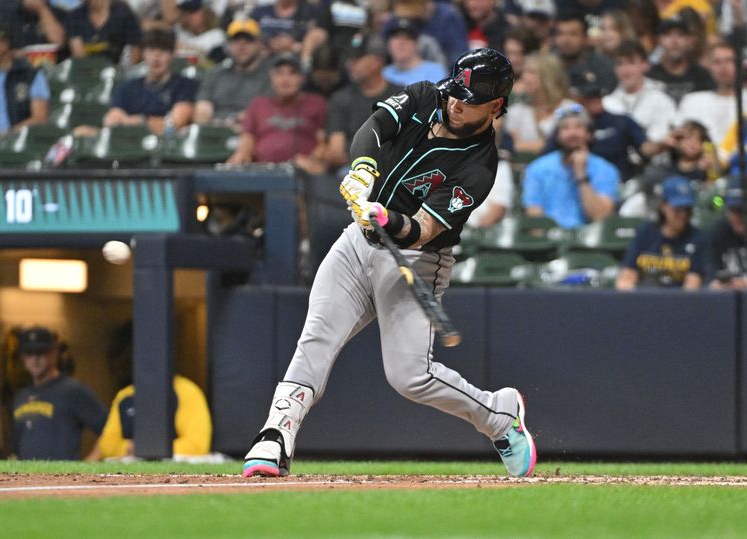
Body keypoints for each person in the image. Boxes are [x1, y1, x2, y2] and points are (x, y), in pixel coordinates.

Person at [242, 48, 537, 480]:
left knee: (410, 376)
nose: (456, 102)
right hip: (356, 244)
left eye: (468, 99)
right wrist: (363, 172)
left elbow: (421, 231)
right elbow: (375, 127)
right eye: (456, 92)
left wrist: (387, 218)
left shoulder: (480, 165)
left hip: (416, 259)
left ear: (495, 106)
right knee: (317, 336)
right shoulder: (424, 96)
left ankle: (498, 415)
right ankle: (275, 435)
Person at [12, 326, 107, 460]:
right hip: (26, 478)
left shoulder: (72, 391)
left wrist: (88, 466)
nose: (35, 358)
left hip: (61, 478)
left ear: (53, 353)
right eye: (29, 353)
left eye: (40, 352)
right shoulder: (20, 397)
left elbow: (110, 431)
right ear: (22, 357)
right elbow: (17, 449)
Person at [522, 103, 620, 228]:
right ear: (557, 136)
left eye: (579, 127)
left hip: (588, 240)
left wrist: (581, 175)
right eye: (565, 128)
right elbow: (534, 216)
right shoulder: (537, 169)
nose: (572, 133)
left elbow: (600, 217)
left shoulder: (606, 170)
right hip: (550, 238)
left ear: (588, 134)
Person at [226, 53, 327, 166]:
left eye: (292, 73)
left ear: (302, 78)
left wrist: (312, 160)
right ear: (272, 78)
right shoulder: (258, 104)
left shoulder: (316, 103)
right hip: (264, 171)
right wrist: (241, 156)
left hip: (304, 172)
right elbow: (247, 140)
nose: (285, 80)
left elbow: (324, 143)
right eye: (279, 73)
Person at [616, 175, 709, 289]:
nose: (683, 215)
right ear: (664, 206)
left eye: (687, 209)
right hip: (644, 300)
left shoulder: (697, 238)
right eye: (678, 209)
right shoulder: (645, 233)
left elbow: (692, 285)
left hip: (680, 302)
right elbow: (626, 277)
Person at [324, 33, 401, 171]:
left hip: (395, 168)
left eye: (357, 58)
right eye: (350, 58)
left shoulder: (401, 96)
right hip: (354, 169)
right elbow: (336, 151)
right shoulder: (341, 98)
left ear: (378, 61)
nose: (350, 63)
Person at [103, 28, 197, 135]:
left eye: (163, 50)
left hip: (166, 146)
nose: (157, 56)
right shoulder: (128, 86)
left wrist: (138, 121)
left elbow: (175, 124)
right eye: (151, 50)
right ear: (143, 54)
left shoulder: (185, 85)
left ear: (172, 55)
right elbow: (112, 120)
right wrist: (149, 123)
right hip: (129, 142)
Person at [94, 374, 212, 459]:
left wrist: (146, 449)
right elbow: (107, 445)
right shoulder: (126, 395)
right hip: (133, 463)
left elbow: (197, 446)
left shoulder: (187, 390)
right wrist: (132, 448)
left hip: (175, 467)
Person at [193, 18, 271, 129]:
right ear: (228, 45)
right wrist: (216, 124)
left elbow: (267, 112)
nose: (241, 46)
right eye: (236, 41)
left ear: (259, 43)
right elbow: (202, 108)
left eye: (248, 41)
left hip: (253, 133)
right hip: (216, 131)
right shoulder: (216, 73)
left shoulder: (270, 75)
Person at [602, 39, 677, 146]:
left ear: (645, 65)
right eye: (619, 64)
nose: (625, 70)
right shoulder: (607, 104)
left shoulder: (661, 100)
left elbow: (661, 137)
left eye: (631, 62)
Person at [675, 41, 747, 147]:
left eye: (729, 61)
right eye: (717, 62)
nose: (723, 67)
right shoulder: (692, 101)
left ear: (740, 65)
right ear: (708, 66)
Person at [503, 52, 576, 155]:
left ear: (548, 76)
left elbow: (569, 145)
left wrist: (531, 146)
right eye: (524, 72)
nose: (524, 77)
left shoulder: (570, 109)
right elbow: (512, 146)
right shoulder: (516, 111)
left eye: (531, 72)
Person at [647, 15, 715, 105]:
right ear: (659, 40)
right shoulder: (651, 76)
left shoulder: (702, 76)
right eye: (668, 35)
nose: (674, 41)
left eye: (680, 35)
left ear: (688, 40)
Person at [553, 13, 617, 97]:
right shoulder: (548, 66)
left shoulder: (604, 66)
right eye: (560, 34)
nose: (565, 40)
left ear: (586, 38)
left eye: (573, 34)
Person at [707, 178, 747, 289]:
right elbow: (708, 275)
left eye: (743, 210)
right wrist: (715, 284)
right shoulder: (719, 232)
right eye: (733, 210)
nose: (738, 216)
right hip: (727, 300)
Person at [66, 0, 143, 64]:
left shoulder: (123, 13)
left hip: (118, 71)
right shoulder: (75, 16)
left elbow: (135, 50)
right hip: (87, 73)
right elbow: (78, 53)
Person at [381, 18, 447, 87]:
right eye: (396, 37)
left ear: (417, 45)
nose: (401, 42)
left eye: (408, 38)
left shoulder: (435, 71)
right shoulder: (383, 73)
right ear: (388, 44)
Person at [173, 0, 225, 64]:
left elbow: (217, 65)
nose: (188, 17)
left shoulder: (216, 36)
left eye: (192, 12)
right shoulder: (179, 33)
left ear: (205, 12)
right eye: (184, 13)